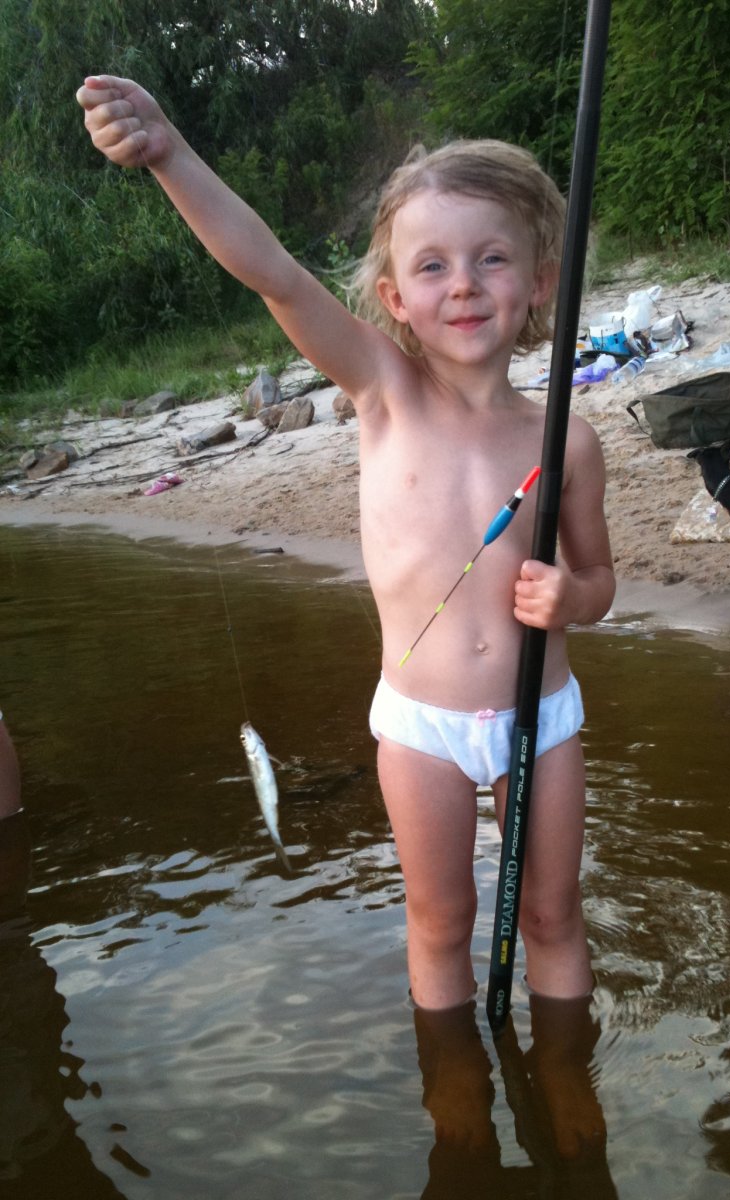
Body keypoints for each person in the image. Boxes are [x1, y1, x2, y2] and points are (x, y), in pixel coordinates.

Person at [76, 76, 616, 1011]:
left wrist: (573, 600)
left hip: (543, 715)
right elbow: (274, 272)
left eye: (491, 258)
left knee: (553, 916)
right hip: (420, 727)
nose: (463, 284)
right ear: (394, 297)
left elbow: (601, 577)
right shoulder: (382, 388)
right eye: (433, 266)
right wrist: (169, 153)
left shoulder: (566, 437)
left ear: (540, 283)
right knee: (440, 922)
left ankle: (570, 1081)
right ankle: (455, 1090)